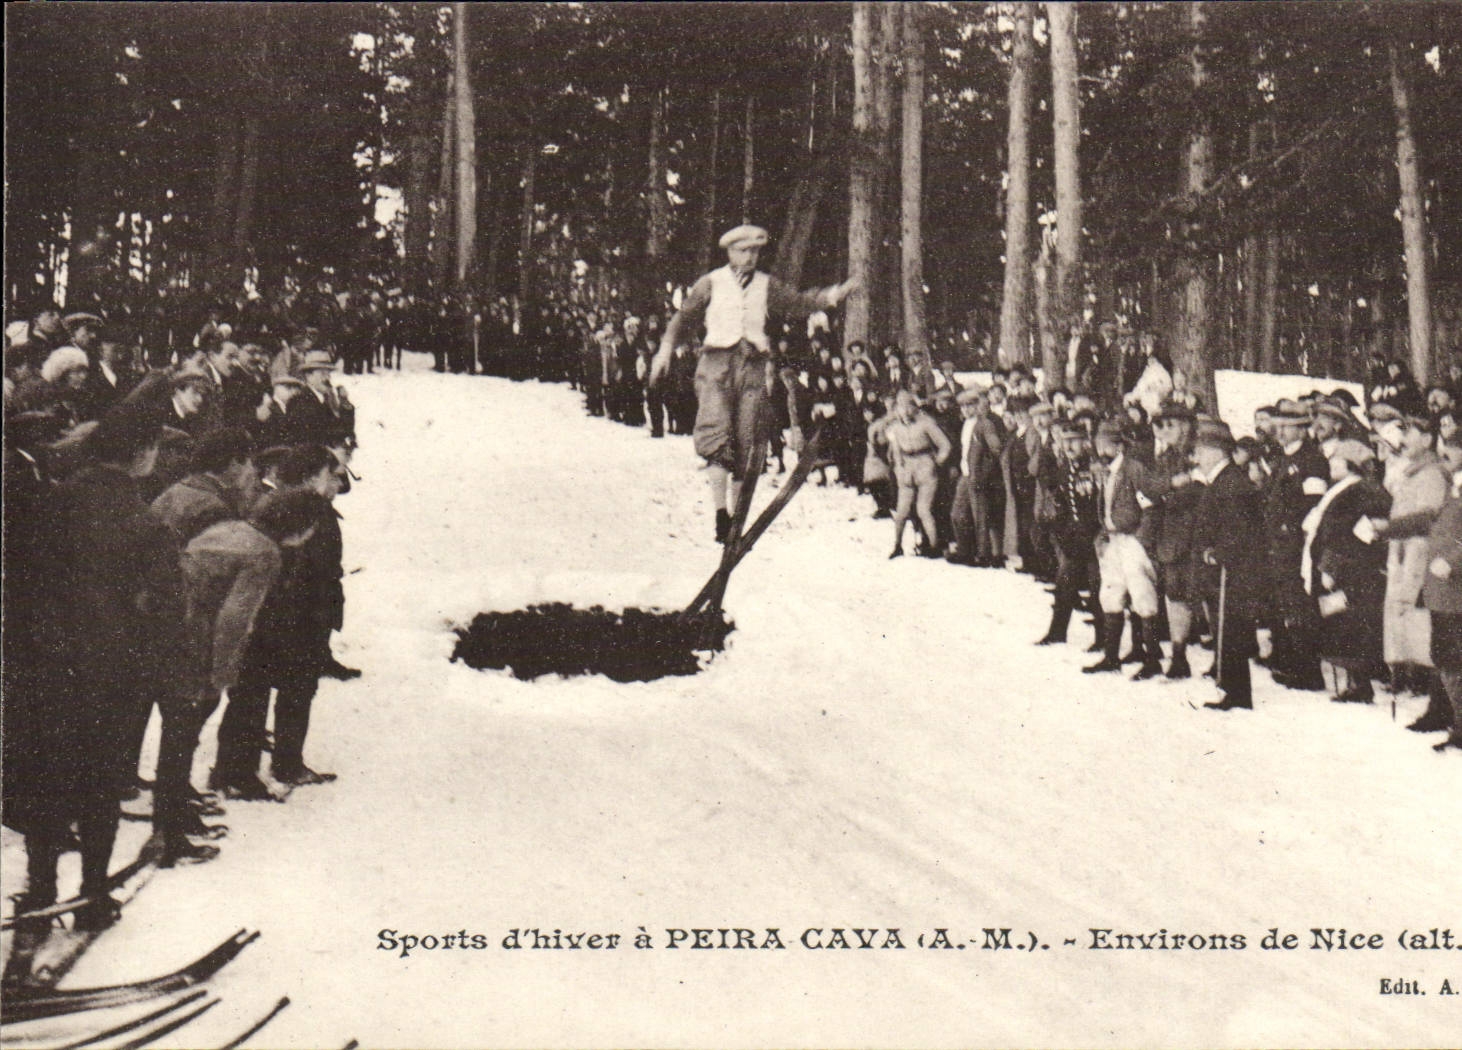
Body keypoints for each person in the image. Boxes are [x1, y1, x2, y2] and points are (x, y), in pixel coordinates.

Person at [650, 224, 856, 543]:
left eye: (756, 252)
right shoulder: (711, 283)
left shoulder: (765, 285)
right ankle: (721, 513)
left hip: (753, 365)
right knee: (717, 435)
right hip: (717, 364)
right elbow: (685, 317)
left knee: (747, 439)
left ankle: (736, 518)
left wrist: (831, 296)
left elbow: (797, 302)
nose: (751, 257)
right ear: (731, 252)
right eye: (745, 251)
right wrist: (665, 349)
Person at [1303, 439, 1391, 703]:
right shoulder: (1346, 489)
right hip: (1342, 568)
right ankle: (1355, 682)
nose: (1331, 464)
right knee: (1343, 623)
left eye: (1337, 460)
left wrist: (1333, 566)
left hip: (1352, 571)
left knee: (1352, 624)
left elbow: (1349, 535)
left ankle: (1360, 684)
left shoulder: (1359, 491)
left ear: (1350, 464)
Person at [1190, 419, 1266, 710]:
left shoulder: (1232, 483)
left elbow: (1240, 530)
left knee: (1231, 628)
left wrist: (1219, 553)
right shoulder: (1225, 480)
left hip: (1234, 571)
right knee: (1227, 628)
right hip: (1227, 569)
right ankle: (1232, 689)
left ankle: (1236, 693)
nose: (1197, 456)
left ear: (1215, 451)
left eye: (1201, 450)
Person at [883, 390, 951, 558]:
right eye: (901, 407)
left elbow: (945, 445)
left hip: (925, 465)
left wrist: (936, 462)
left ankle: (935, 546)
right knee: (901, 512)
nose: (905, 412)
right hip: (907, 469)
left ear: (914, 408)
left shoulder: (927, 424)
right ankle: (897, 546)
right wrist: (899, 468)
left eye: (908, 407)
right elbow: (896, 451)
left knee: (923, 509)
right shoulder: (895, 428)